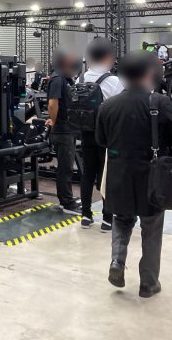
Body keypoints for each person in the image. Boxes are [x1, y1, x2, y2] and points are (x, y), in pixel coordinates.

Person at [96, 50, 172, 298]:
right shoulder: (160, 103)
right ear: (150, 73)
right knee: (151, 228)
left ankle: (117, 261)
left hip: (119, 174)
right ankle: (149, 283)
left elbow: (102, 140)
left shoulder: (108, 105)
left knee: (121, 220)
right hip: (151, 177)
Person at [80, 37, 124, 231]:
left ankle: (85, 216)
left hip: (85, 133)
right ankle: (107, 219)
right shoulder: (114, 81)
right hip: (107, 135)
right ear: (107, 57)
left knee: (87, 174)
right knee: (106, 175)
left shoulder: (81, 78)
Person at [47, 49, 81, 214]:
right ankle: (67, 203)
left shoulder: (67, 79)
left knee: (67, 167)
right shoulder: (58, 79)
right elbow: (52, 103)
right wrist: (53, 121)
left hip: (69, 129)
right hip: (62, 131)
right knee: (65, 168)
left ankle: (67, 199)